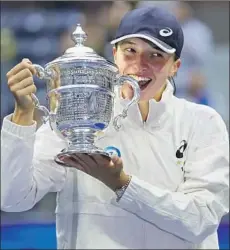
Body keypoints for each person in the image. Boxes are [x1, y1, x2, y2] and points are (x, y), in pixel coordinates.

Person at [1, 6, 229, 249]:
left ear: (176, 66)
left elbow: (201, 219)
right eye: (130, 51)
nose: (140, 65)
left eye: (156, 55)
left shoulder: (203, 122)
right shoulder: (78, 118)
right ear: (114, 54)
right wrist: (22, 116)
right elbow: (13, 198)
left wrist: (122, 184)